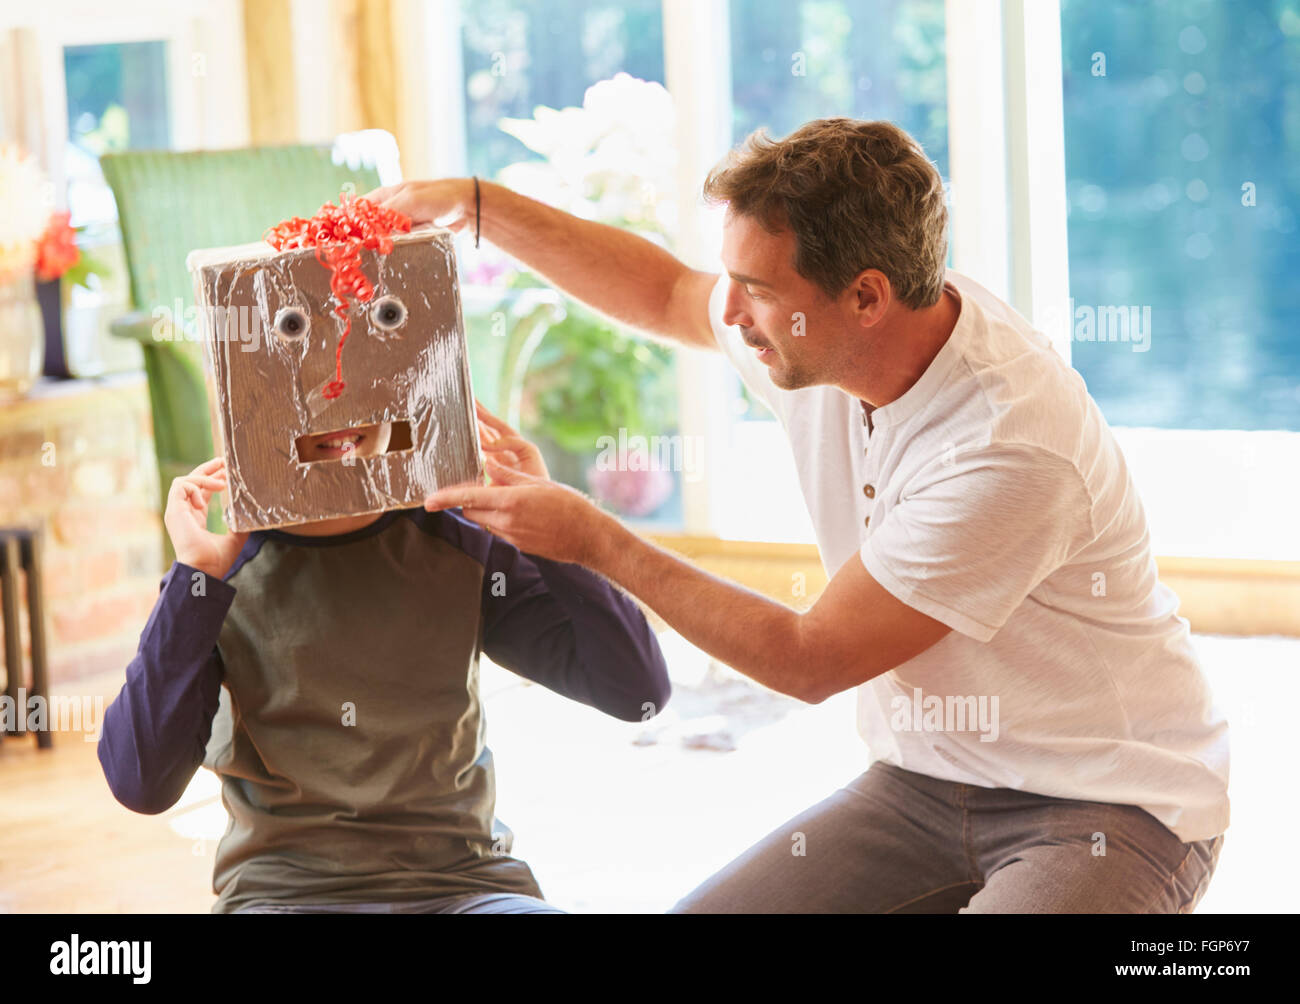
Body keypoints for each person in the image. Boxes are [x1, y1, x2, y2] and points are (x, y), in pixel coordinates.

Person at [372, 117, 1229, 913]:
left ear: (865, 297)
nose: (732, 312)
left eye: (753, 288)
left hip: (1108, 802)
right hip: (926, 783)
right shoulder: (838, 335)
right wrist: (478, 207)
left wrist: (594, 537)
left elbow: (809, 659)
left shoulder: (1007, 447)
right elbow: (670, 292)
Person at [98, 402, 671, 914]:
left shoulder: (461, 545)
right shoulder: (219, 578)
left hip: (464, 885)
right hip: (288, 897)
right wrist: (193, 581)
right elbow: (141, 784)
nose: (336, 402)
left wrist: (559, 534)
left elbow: (634, 690)